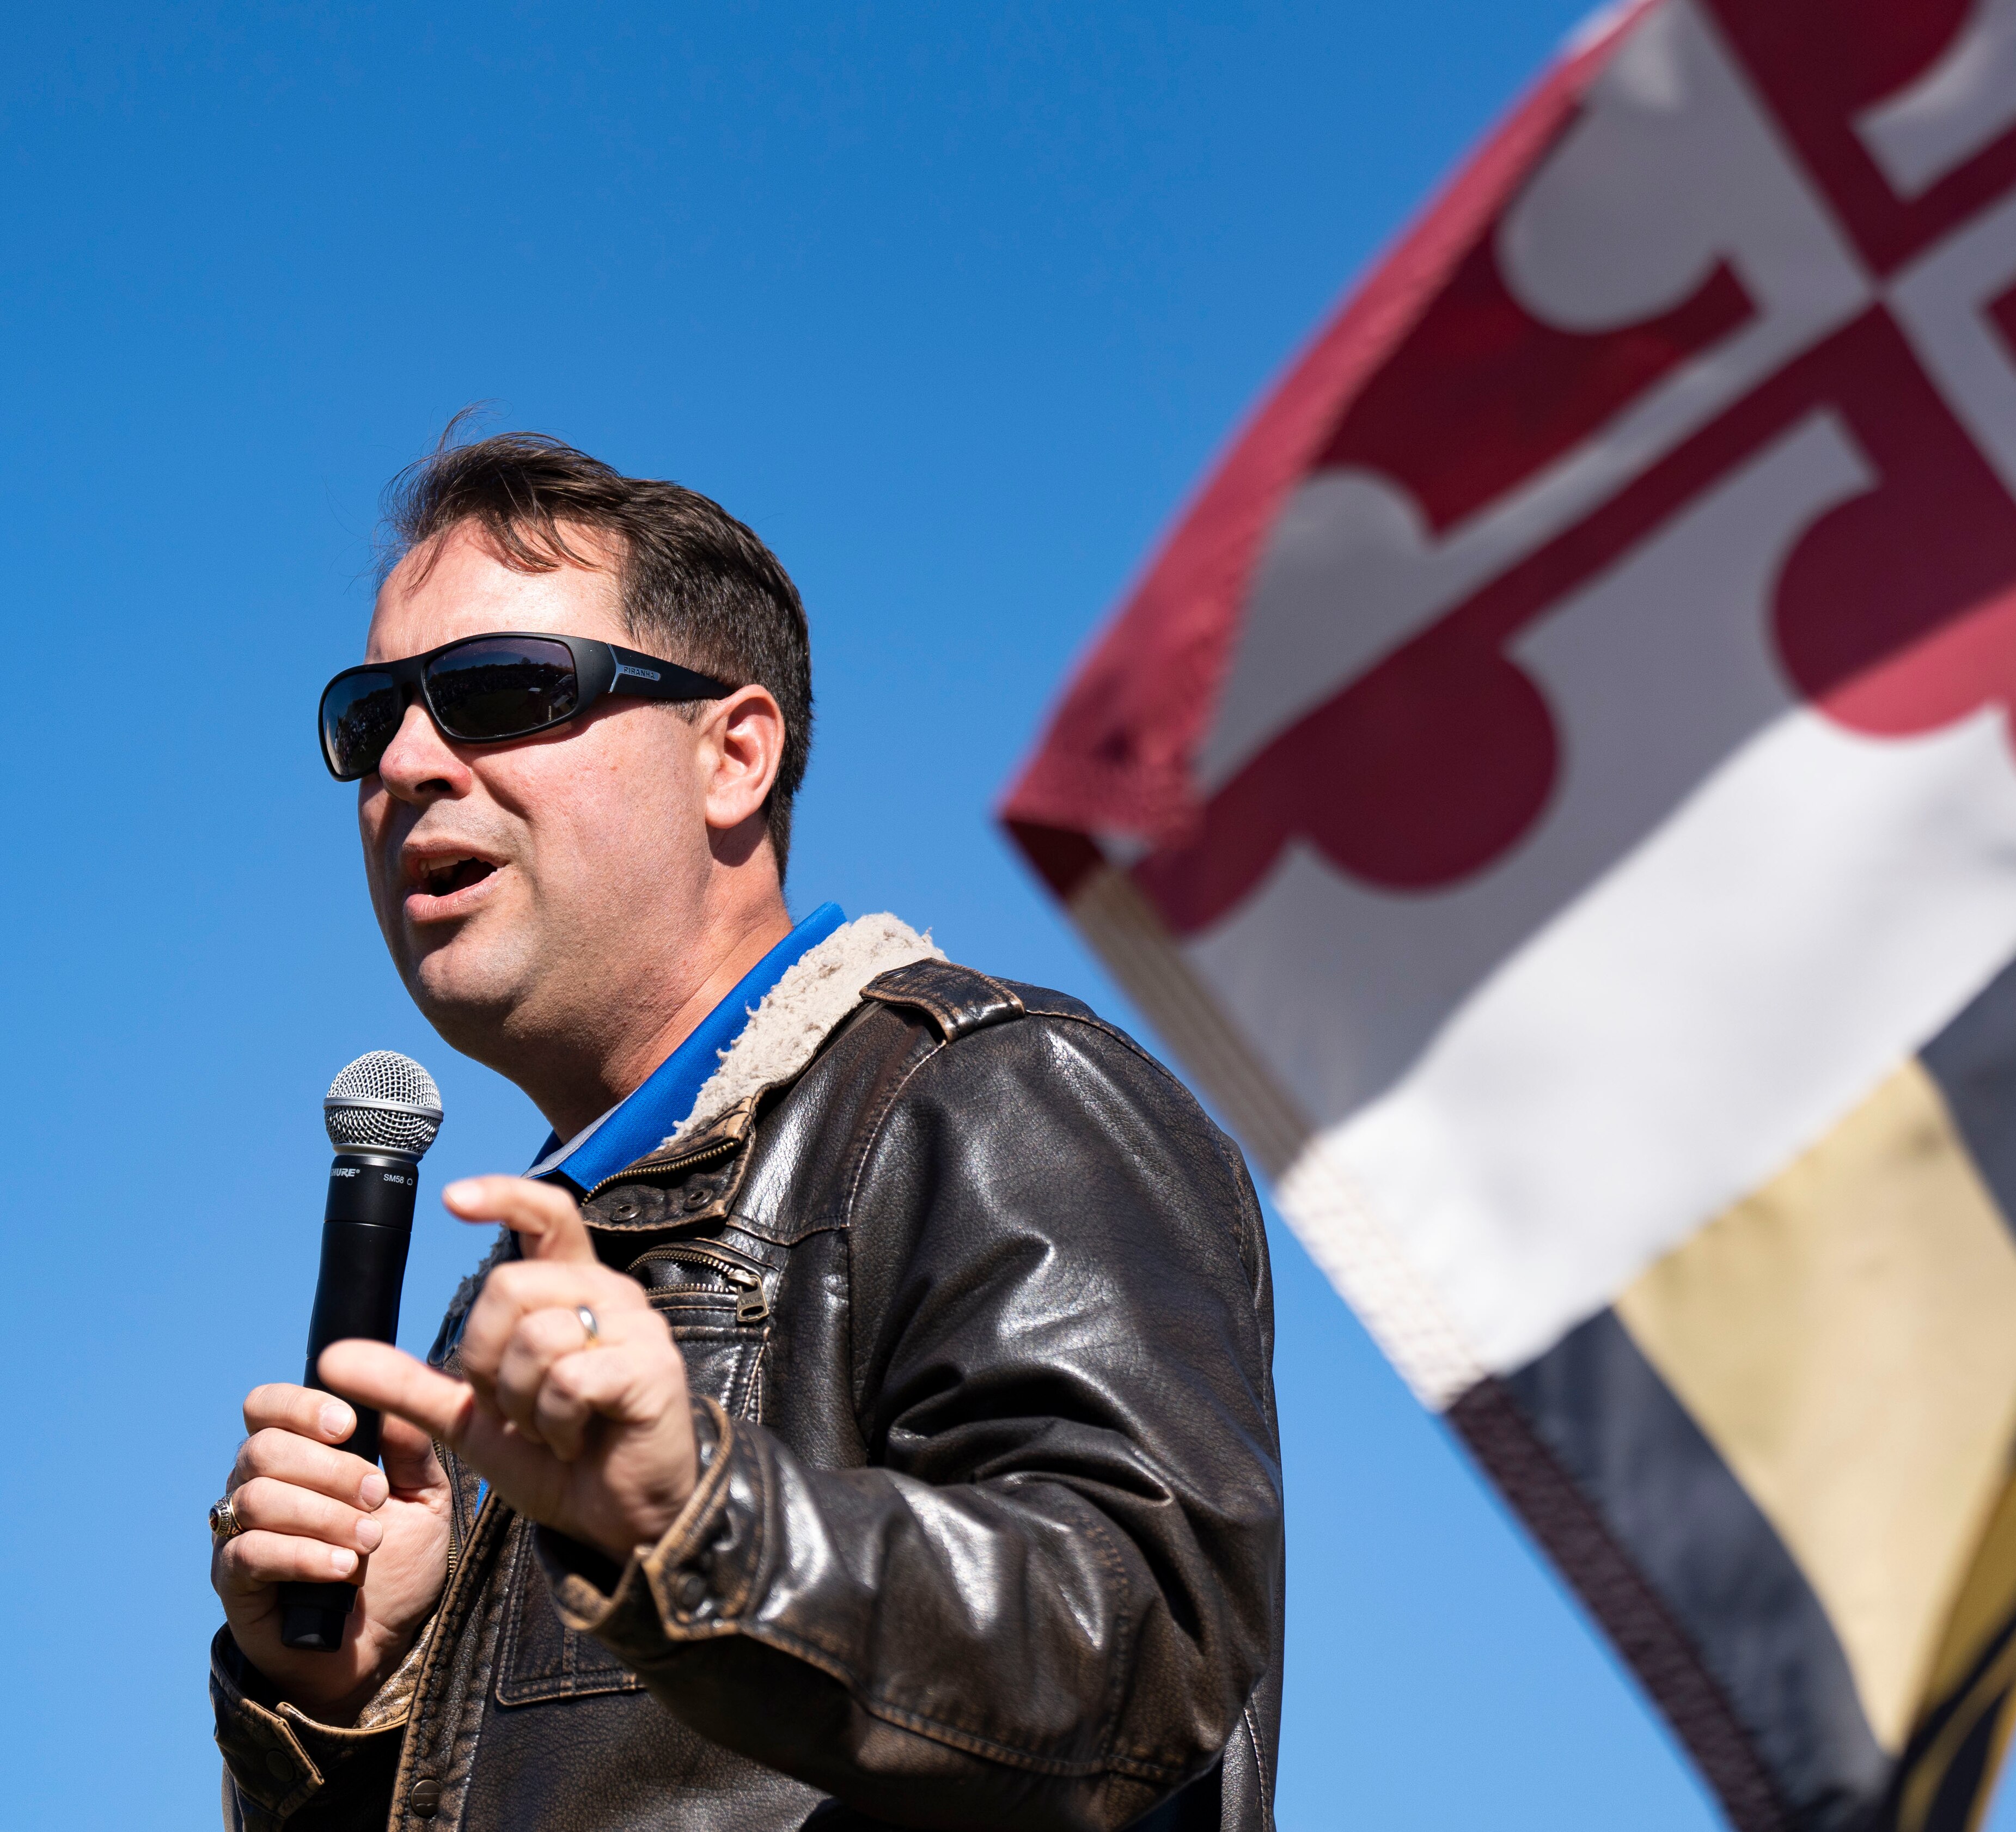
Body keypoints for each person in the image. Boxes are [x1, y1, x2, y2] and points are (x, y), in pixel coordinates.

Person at [205, 432, 1283, 1831]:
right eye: (372, 716)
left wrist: (693, 1523)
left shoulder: (985, 1102)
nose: (408, 760)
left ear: (733, 754)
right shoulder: (537, 1302)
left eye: (497, 692)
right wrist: (353, 1705)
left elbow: (1145, 1643)